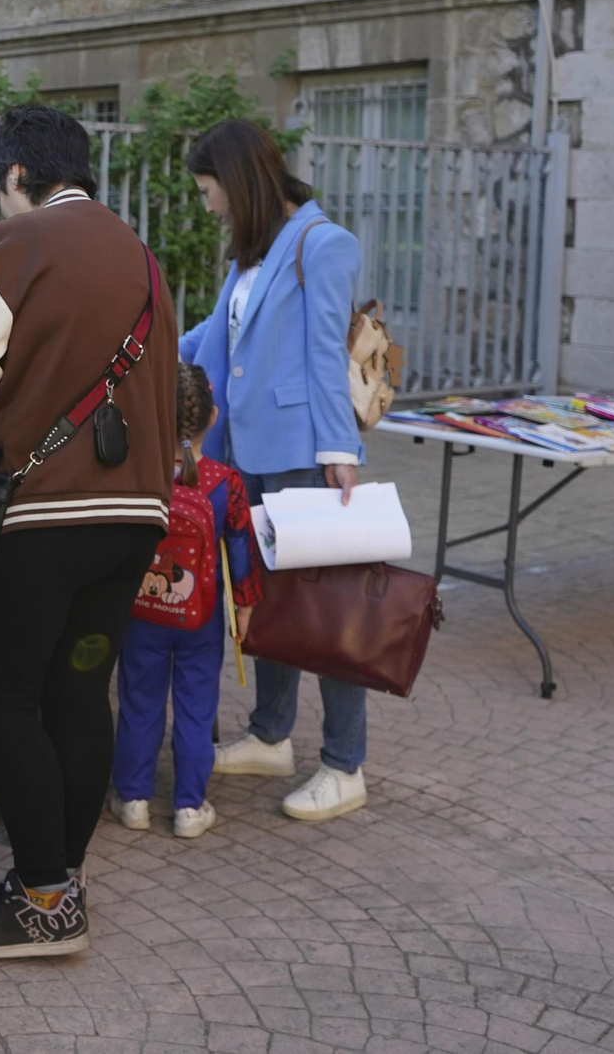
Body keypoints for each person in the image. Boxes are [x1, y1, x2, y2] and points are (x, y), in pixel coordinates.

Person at [0, 104, 176, 959]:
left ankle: (42, 897)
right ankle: (59, 881)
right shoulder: (141, 255)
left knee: (1, 695)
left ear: (14, 175)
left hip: (41, 514)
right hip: (134, 516)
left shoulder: (20, 240)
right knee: (78, 693)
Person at [182, 118, 369, 823]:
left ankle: (345, 765)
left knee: (328, 614)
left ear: (239, 181)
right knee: (266, 601)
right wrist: (143, 345)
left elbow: (326, 352)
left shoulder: (323, 243)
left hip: (301, 456)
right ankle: (270, 735)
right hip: (247, 455)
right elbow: (217, 334)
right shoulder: (258, 250)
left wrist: (340, 453)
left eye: (210, 191)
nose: (209, 206)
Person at [110, 363, 262, 839]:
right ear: (213, 417)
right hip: (201, 620)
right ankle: (189, 808)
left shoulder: (139, 472)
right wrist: (244, 606)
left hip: (142, 614)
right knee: (197, 708)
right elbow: (242, 550)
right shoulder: (225, 482)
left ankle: (133, 799)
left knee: (139, 702)